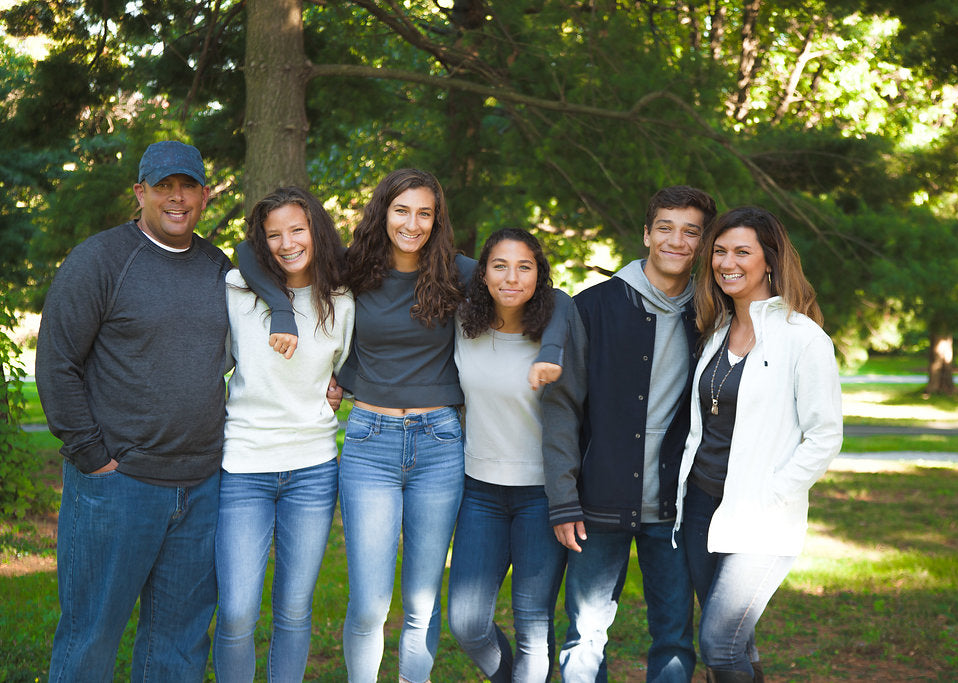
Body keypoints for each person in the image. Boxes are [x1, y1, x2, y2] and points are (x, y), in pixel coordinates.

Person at [235, 168, 569, 683]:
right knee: (369, 604)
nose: (412, 223)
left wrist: (549, 350)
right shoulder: (350, 268)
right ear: (382, 212)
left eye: (424, 213)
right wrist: (281, 310)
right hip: (371, 441)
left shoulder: (460, 274)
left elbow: (550, 294)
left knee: (421, 602)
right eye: (401, 210)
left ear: (437, 221)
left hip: (440, 445)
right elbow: (248, 254)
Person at [35, 140, 231, 681]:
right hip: (118, 487)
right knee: (91, 637)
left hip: (200, 488)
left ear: (205, 196)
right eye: (163, 186)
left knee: (180, 646)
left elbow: (263, 351)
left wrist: (327, 383)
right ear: (140, 192)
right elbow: (57, 364)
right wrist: (91, 456)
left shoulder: (219, 268)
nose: (177, 198)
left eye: (188, 186)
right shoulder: (100, 259)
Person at [543, 185, 718, 682]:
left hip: (676, 506)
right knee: (584, 637)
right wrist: (562, 498)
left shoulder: (711, 316)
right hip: (598, 503)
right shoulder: (593, 307)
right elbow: (560, 409)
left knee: (675, 638)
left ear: (702, 244)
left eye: (691, 232)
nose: (676, 241)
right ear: (647, 233)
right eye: (665, 227)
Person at [672, 206, 843, 682]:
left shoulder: (802, 339)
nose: (727, 262)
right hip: (704, 507)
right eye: (720, 252)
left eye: (741, 252)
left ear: (769, 260)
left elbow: (825, 434)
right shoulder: (717, 331)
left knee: (719, 646)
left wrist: (773, 495)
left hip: (762, 518)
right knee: (738, 645)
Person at [212, 187, 355, 681]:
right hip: (244, 466)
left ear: (317, 230)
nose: (287, 243)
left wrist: (340, 387)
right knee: (236, 612)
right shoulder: (236, 288)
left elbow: (349, 365)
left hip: (313, 469)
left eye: (298, 230)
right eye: (274, 234)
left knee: (294, 611)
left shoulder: (340, 298)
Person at [448, 228, 568, 682]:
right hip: (480, 492)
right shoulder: (464, 325)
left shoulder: (558, 331)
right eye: (500, 265)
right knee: (466, 621)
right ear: (483, 273)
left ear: (540, 275)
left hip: (541, 495)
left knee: (533, 626)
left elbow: (566, 303)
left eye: (525, 266)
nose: (512, 277)